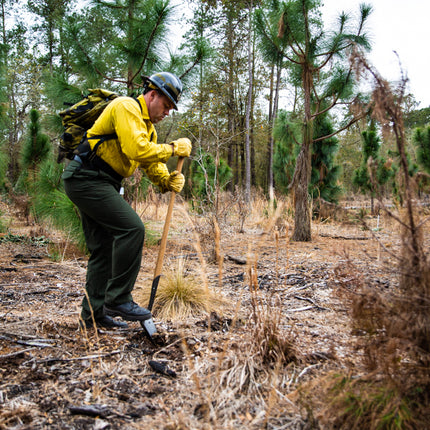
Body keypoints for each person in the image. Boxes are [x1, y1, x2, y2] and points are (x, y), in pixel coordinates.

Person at [62, 72, 192, 329]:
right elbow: (136, 149)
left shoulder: (148, 129)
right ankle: (118, 298)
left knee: (102, 248)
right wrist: (174, 149)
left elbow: (149, 163)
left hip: (101, 181)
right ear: (152, 94)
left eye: (170, 109)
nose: (167, 112)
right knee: (132, 228)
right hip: (86, 177)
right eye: (166, 106)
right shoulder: (126, 106)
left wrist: (166, 181)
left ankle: (93, 316)